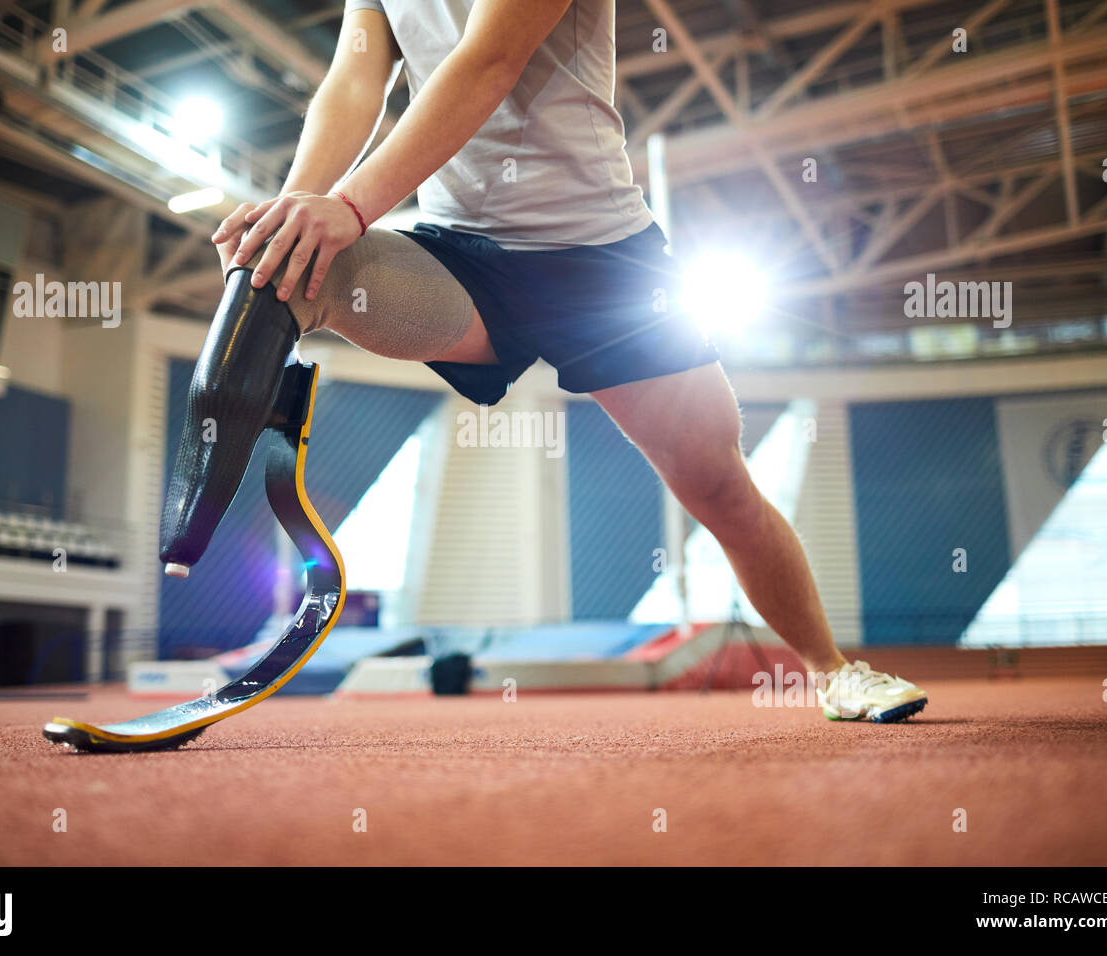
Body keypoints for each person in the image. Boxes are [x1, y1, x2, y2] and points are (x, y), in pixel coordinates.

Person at [169, 0, 927, 723]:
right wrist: (295, 212)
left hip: (601, 265)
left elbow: (490, 60)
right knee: (288, 266)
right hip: (462, 257)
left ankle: (832, 669)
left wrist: (351, 205)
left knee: (720, 488)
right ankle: (190, 525)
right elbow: (354, 80)